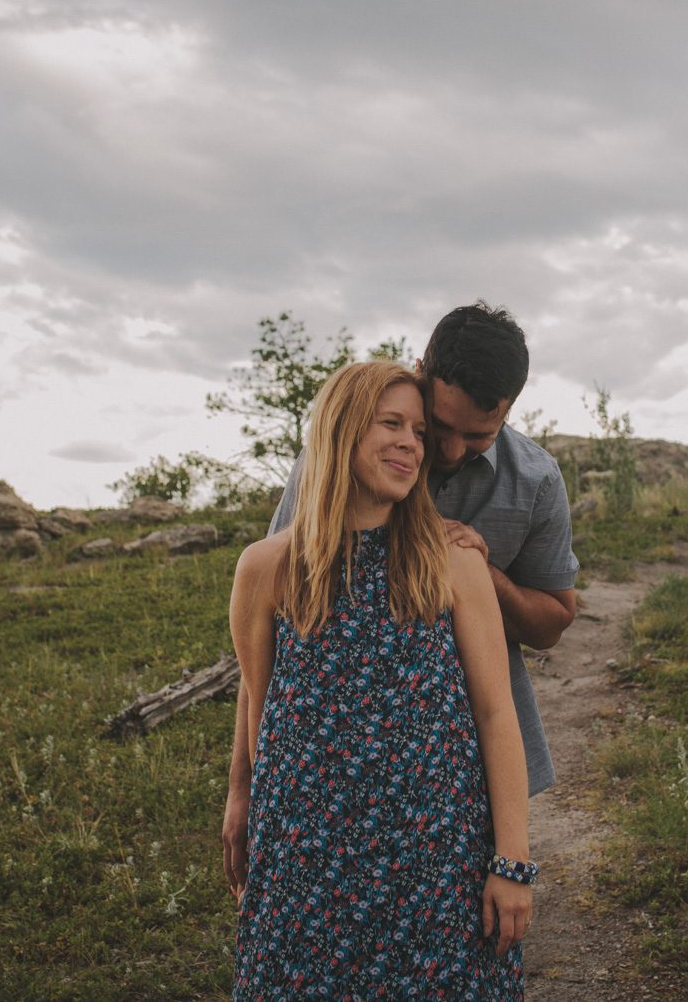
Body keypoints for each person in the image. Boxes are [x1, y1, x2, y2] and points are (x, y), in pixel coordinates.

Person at [224, 303, 578, 895]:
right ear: (422, 371)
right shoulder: (329, 463)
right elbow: (270, 647)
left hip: (464, 769)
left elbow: (553, 621)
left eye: (479, 435)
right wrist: (242, 791)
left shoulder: (535, 481)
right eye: (440, 428)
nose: (451, 449)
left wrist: (482, 574)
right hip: (326, 786)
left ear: (510, 408)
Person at [229, 360, 533, 997]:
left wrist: (512, 861)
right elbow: (260, 713)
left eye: (419, 432)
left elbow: (496, 716)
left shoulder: (452, 564)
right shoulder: (267, 568)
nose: (411, 443)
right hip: (305, 873)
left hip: (434, 868)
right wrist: (247, 811)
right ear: (341, 430)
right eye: (390, 423)